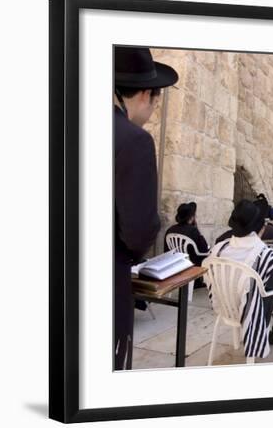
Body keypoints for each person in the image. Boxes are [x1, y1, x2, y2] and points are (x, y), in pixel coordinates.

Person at [114, 46, 179, 370]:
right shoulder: (134, 139)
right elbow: (139, 231)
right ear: (144, 95)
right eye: (156, 101)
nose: (154, 108)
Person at [204, 200, 273, 359]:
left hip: (225, 308)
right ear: (260, 228)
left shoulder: (217, 250)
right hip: (251, 311)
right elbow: (272, 287)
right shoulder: (266, 256)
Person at [164, 202, 209, 288]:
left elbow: (166, 251)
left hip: (175, 265)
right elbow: (204, 249)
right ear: (191, 217)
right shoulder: (193, 230)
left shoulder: (170, 230)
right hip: (190, 266)